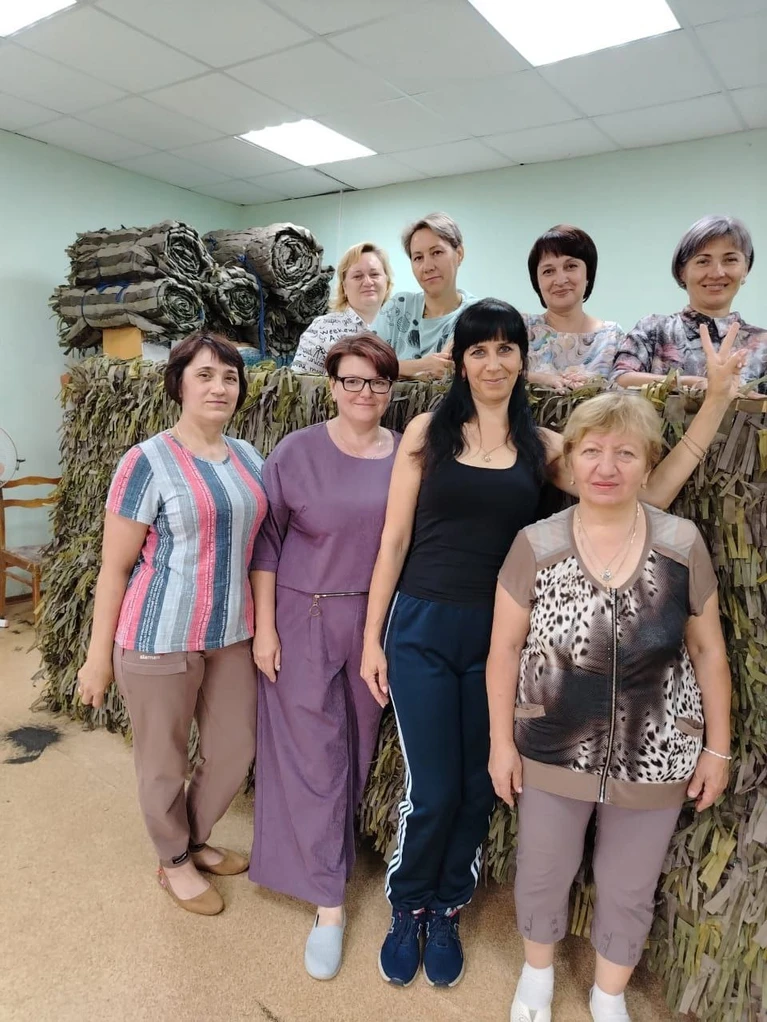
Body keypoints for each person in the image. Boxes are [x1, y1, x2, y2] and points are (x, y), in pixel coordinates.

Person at [359, 297, 744, 990]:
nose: (492, 362)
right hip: (421, 626)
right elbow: (393, 541)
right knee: (433, 787)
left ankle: (447, 908)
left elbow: (643, 490)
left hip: (500, 637)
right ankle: (408, 904)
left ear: (522, 358)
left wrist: (715, 401)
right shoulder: (425, 432)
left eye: (506, 348)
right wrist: (372, 638)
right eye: (478, 349)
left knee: (476, 786)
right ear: (460, 361)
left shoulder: (540, 446)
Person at [486, 391, 731, 1022]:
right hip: (551, 744)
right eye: (592, 450)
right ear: (570, 461)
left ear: (648, 465)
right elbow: (504, 650)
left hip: (659, 752)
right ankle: (537, 976)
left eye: (625, 453)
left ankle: (609, 993)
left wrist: (718, 749)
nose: (606, 466)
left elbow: (708, 651)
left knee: (630, 883)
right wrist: (501, 744)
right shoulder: (536, 543)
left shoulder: (681, 543)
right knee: (543, 869)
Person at [77, 332, 266, 916]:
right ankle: (175, 859)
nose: (219, 387)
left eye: (230, 377)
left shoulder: (250, 458)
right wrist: (97, 659)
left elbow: (262, 549)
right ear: (179, 384)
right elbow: (115, 569)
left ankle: (195, 838)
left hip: (231, 634)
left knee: (235, 747)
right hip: (158, 637)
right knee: (162, 762)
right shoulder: (146, 461)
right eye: (204, 375)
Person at [250, 333, 400, 980]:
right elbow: (266, 544)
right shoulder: (296, 451)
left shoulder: (408, 455)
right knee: (312, 756)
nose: (364, 393)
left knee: (355, 751)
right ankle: (328, 905)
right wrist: (264, 629)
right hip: (300, 615)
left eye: (377, 382)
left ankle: (328, 861)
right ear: (332, 385)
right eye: (352, 380)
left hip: (372, 622)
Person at [614, 214, 767, 396]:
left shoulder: (762, 344)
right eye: (703, 261)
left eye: (730, 260)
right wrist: (692, 383)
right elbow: (619, 380)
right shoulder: (654, 329)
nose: (717, 273)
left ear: (745, 269)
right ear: (682, 272)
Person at [373, 212, 475, 379]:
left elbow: (445, 373)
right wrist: (421, 366)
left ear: (459, 254)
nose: (428, 267)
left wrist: (390, 368)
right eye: (418, 257)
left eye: (437, 252)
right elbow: (362, 364)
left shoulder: (475, 314)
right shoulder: (399, 307)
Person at [524, 224, 625, 391]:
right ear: (537, 281)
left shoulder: (612, 337)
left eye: (570, 266)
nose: (560, 280)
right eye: (548, 271)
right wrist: (543, 379)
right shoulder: (521, 328)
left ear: (588, 274)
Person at [291, 242, 394, 375]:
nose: (368, 282)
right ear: (344, 287)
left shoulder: (402, 327)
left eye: (374, 274)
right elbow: (300, 383)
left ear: (387, 281)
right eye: (358, 276)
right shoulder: (321, 329)